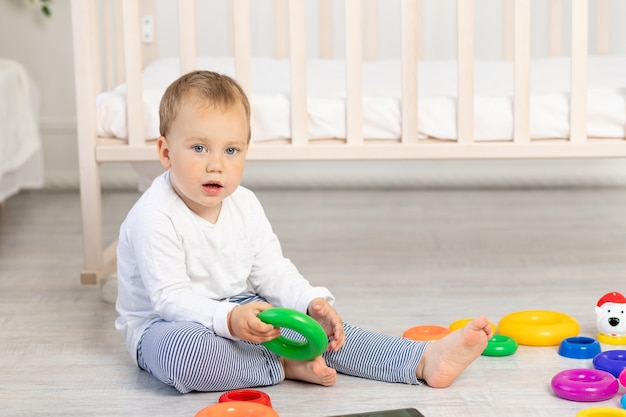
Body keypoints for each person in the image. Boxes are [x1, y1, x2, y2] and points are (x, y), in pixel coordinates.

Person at [114, 70, 493, 394]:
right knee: (181, 356)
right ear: (165, 152)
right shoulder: (154, 215)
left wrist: (308, 302)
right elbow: (170, 299)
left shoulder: (244, 203)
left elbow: (271, 270)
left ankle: (421, 361)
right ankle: (284, 364)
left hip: (242, 305)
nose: (216, 165)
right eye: (199, 148)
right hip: (167, 325)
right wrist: (230, 322)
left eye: (231, 151)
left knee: (323, 331)